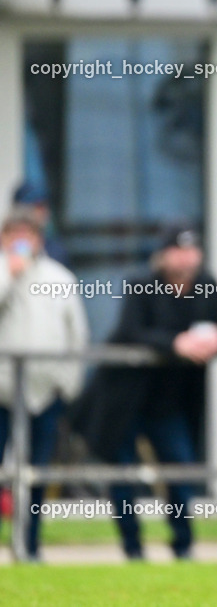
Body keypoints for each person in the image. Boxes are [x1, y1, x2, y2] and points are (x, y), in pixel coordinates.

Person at [103, 225, 217, 560]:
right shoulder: (141, 285)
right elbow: (130, 331)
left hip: (170, 402)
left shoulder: (205, 286)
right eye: (178, 250)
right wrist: (176, 343)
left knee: (179, 469)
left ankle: (183, 545)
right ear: (164, 254)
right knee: (123, 476)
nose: (186, 257)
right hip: (126, 399)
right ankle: (132, 547)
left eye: (192, 249)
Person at [0, 207, 88, 560]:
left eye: (29, 236)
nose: (22, 243)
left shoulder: (60, 278)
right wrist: (10, 275)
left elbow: (76, 334)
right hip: (2, 392)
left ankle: (30, 545)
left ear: (39, 240)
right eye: (14, 236)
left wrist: (66, 385)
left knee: (36, 475)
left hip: (45, 394)